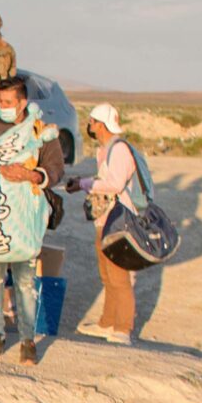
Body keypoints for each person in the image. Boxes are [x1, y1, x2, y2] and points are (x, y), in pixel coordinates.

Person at [0, 77, 64, 363]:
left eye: (8, 103)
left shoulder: (39, 130)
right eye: (0, 101)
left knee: (25, 281)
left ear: (22, 103)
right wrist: (0, 168)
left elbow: (55, 169)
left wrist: (34, 175)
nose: (3, 107)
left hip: (25, 217)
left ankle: (27, 341)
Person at [73, 104, 146, 341]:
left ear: (101, 124)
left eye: (92, 121)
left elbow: (114, 184)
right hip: (104, 218)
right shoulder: (104, 150)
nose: (90, 126)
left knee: (119, 275)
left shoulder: (120, 150)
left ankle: (123, 328)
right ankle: (107, 322)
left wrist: (85, 184)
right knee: (107, 273)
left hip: (120, 220)